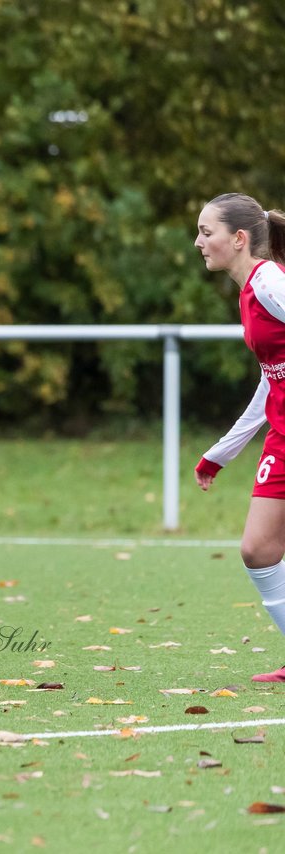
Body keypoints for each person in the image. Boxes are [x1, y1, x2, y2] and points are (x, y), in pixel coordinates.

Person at [193, 191, 285, 683]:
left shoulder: (270, 281)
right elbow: (273, 379)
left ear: (239, 238)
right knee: (258, 549)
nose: (199, 242)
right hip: (282, 434)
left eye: (207, 233)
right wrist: (220, 453)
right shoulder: (251, 290)